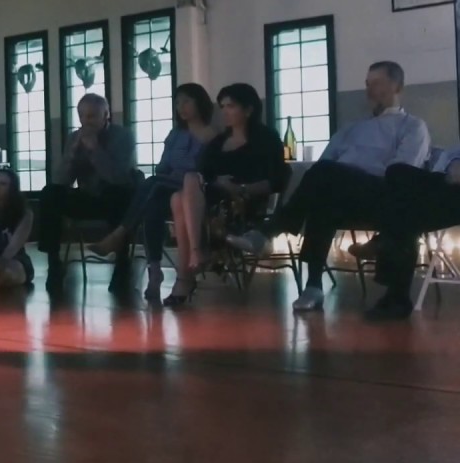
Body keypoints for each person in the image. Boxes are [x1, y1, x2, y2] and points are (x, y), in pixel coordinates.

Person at [227, 61, 430, 312]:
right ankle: (313, 286)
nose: (369, 90)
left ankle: (271, 230)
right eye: (367, 84)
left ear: (397, 86)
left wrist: (349, 173)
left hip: (382, 196)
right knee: (323, 197)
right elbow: (323, 165)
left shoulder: (412, 126)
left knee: (325, 177)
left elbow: (402, 173)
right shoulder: (351, 130)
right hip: (340, 193)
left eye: (376, 83)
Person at [89, 83, 217, 301]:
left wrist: (178, 168)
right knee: (152, 207)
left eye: (186, 101)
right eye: (177, 103)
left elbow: (202, 167)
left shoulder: (210, 134)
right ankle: (154, 270)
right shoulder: (175, 134)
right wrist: (172, 168)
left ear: (199, 102)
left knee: (151, 185)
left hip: (193, 189)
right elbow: (163, 165)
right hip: (168, 186)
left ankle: (119, 235)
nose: (181, 107)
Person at [165, 84, 288, 307]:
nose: (225, 112)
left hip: (245, 204)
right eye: (222, 107)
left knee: (182, 194)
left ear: (248, 110)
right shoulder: (218, 142)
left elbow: (277, 180)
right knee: (183, 190)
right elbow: (205, 174)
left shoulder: (266, 139)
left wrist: (240, 188)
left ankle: (188, 272)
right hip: (213, 202)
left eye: (231, 106)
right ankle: (195, 256)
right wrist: (217, 182)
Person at [37, 94, 138, 293]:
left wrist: (95, 150)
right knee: (50, 193)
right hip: (87, 197)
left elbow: (117, 177)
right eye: (82, 116)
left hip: (114, 197)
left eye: (92, 116)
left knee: (120, 194)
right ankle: (54, 263)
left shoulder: (123, 136)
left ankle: (122, 264)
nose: (86, 121)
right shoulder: (75, 137)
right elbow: (61, 181)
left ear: (106, 115)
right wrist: (72, 155)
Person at [369, 148, 460, 320]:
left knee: (404, 201)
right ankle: (397, 297)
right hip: (444, 188)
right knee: (399, 175)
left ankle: (397, 296)